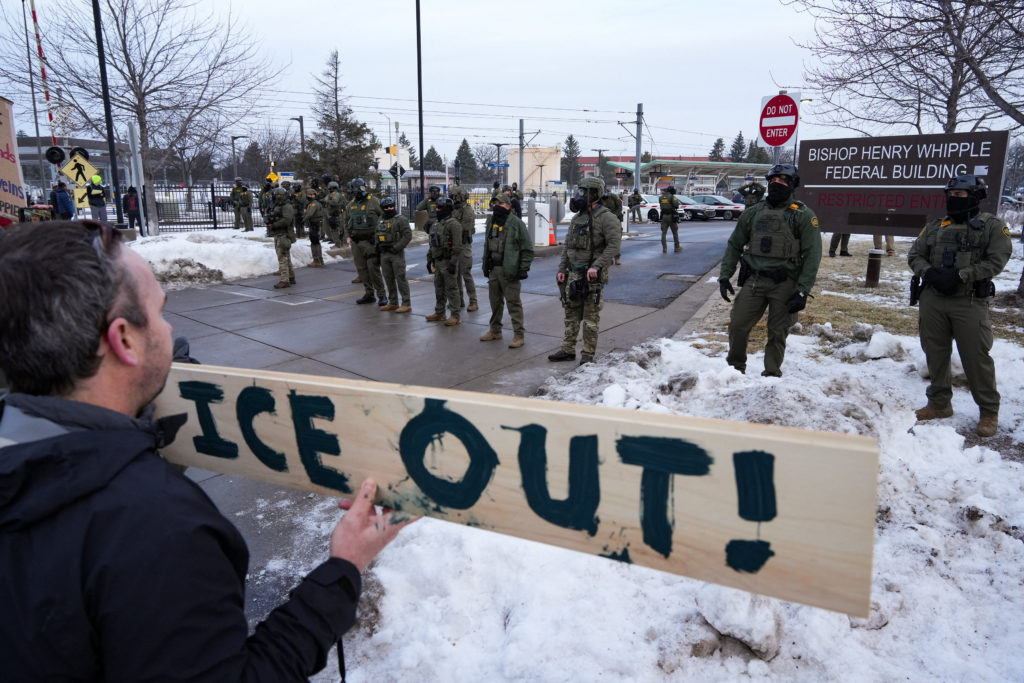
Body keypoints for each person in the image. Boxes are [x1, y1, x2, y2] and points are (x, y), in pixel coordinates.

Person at [0, 220, 413, 680]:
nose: (170, 329)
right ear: (123, 340)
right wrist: (345, 566)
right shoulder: (157, 529)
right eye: (159, 312)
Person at [907, 173, 1012, 437]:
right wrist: (929, 273)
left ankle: (988, 411)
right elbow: (915, 254)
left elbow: (997, 260)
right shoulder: (935, 226)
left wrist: (962, 275)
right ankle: (939, 403)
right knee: (935, 352)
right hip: (933, 298)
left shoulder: (992, 226)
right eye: (950, 195)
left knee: (976, 357)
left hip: (969, 300)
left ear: (975, 197)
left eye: (960, 195)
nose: (953, 200)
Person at [717, 163, 822, 377]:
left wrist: (803, 289)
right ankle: (735, 369)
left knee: (777, 332)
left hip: (785, 283)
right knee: (737, 325)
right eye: (773, 180)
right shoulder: (753, 213)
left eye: (783, 180)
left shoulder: (802, 215)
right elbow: (735, 244)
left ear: (792, 185)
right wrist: (725, 275)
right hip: (754, 280)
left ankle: (772, 373)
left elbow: (813, 255)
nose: (777, 184)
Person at [549, 176, 621, 365]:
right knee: (571, 314)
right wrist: (562, 268)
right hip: (573, 273)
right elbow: (568, 247)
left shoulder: (606, 217)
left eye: (584, 192)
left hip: (592, 276)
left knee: (591, 317)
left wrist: (596, 266)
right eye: (579, 191)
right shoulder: (577, 217)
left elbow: (614, 246)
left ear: (595, 194)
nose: (579, 195)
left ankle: (587, 354)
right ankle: (567, 349)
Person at [480, 195, 533, 348]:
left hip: (510, 269)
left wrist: (524, 268)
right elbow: (487, 245)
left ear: (508, 206)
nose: (497, 206)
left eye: (500, 203)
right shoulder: (492, 222)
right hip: (494, 269)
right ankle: (495, 330)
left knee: (513, 303)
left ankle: (519, 334)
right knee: (495, 302)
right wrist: (486, 266)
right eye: (495, 203)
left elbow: (527, 248)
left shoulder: (516, 224)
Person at [425, 196, 466, 326]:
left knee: (452, 289)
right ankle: (440, 312)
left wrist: (453, 263)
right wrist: (429, 259)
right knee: (439, 288)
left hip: (448, 262)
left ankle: (455, 315)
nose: (437, 210)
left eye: (440, 208)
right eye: (436, 207)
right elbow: (432, 243)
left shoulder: (454, 224)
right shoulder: (436, 224)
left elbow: (457, 246)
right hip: (438, 262)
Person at [346, 178, 386, 306]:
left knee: (373, 269)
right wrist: (348, 236)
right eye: (355, 189)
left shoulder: (374, 201)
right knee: (362, 270)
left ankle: (382, 295)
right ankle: (369, 293)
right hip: (356, 242)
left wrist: (379, 236)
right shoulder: (351, 205)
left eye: (359, 188)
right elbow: (346, 221)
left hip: (370, 241)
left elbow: (384, 218)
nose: (357, 191)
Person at [376, 196, 413, 313]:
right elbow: (376, 233)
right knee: (388, 278)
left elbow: (407, 235)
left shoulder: (400, 219)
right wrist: (377, 246)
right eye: (386, 207)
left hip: (396, 253)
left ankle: (406, 303)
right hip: (384, 253)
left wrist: (396, 248)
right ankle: (393, 302)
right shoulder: (381, 219)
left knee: (400, 278)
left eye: (391, 206)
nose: (389, 209)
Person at [451, 185, 479, 311]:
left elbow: (463, 228)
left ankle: (473, 301)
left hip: (463, 245)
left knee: (466, 274)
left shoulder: (467, 211)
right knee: (455, 274)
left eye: (454, 196)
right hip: (455, 245)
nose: (452, 198)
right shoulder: (454, 210)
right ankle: (459, 300)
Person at [267, 186, 297, 289]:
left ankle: (285, 280)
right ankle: (291, 276)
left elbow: (286, 220)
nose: (278, 197)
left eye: (280, 195)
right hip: (278, 233)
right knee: (286, 256)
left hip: (284, 234)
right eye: (277, 195)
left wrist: (275, 225)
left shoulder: (287, 206)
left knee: (282, 256)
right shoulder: (278, 205)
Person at [600, 189, 624, 265]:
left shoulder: (614, 197)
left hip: (615, 219)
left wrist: (613, 216)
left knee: (615, 239)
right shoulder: (598, 199)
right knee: (603, 239)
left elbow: (619, 207)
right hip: (603, 220)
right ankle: (607, 259)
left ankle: (617, 257)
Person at [303, 187, 325, 267]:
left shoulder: (313, 204)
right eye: (309, 195)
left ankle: (317, 260)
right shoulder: (312, 203)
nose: (309, 196)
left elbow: (309, 214)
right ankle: (319, 260)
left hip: (314, 224)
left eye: (310, 195)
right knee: (315, 242)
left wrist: (303, 219)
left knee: (315, 242)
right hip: (314, 224)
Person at [659, 186, 682, 254]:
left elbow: (661, 206)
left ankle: (664, 248)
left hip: (663, 216)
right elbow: (676, 205)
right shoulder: (672, 197)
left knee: (663, 233)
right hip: (671, 216)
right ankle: (677, 247)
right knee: (675, 232)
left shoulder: (661, 197)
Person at [324, 180, 346, 245]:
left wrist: (327, 201)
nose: (328, 188)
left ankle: (339, 244)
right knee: (334, 230)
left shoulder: (335, 194)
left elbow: (335, 202)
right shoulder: (331, 194)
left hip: (336, 215)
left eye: (329, 187)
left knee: (337, 230)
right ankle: (338, 243)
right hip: (332, 214)